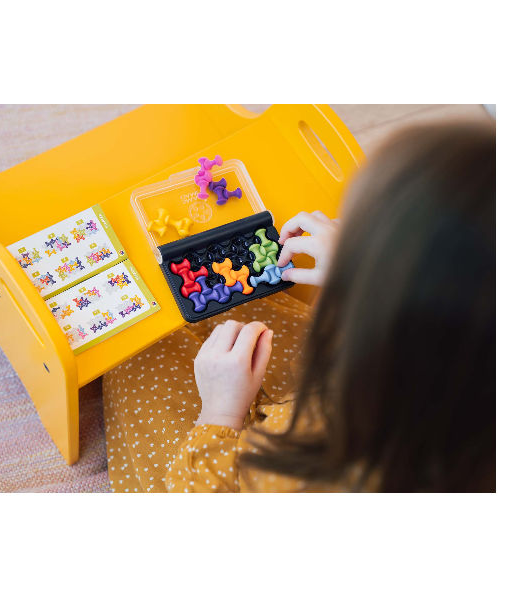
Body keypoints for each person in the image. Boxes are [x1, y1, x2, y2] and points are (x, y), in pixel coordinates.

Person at [102, 120, 496, 492]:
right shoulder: (463, 361)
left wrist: (220, 413)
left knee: (134, 350)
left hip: (227, 471)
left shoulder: (321, 471)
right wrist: (354, 269)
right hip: (324, 392)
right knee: (233, 311)